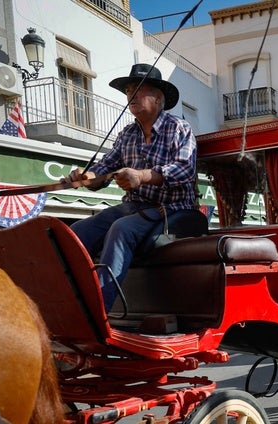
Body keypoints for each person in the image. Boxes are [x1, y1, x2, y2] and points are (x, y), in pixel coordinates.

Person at [63, 63, 197, 312]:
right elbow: (105, 167)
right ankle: (69, 301)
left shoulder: (180, 128)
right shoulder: (126, 134)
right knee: (77, 231)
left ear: (158, 98)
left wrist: (142, 176)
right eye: (128, 91)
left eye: (138, 90)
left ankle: (98, 310)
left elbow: (185, 170)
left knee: (121, 229)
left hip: (172, 208)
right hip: (134, 207)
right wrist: (86, 176)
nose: (131, 96)